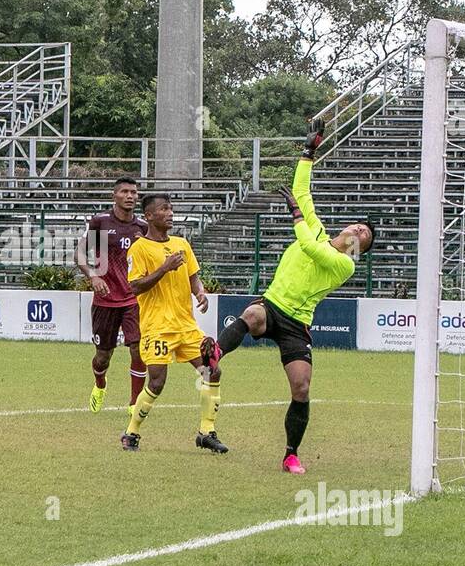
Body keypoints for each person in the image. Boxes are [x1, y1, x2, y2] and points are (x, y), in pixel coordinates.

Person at [214, 128, 375, 474]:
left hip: (297, 323)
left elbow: (308, 246)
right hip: (272, 305)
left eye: (364, 235)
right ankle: (212, 356)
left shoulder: (343, 264)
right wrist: (306, 153)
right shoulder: (316, 228)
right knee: (252, 314)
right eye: (358, 226)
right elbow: (302, 192)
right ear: (347, 227)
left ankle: (291, 454)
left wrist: (298, 218)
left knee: (301, 387)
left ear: (359, 249)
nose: (358, 230)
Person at [122, 194, 226, 454]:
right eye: (164, 209)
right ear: (148, 216)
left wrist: (200, 292)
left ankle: (206, 432)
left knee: (212, 371)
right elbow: (135, 286)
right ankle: (131, 433)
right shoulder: (140, 249)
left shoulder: (182, 244)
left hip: (186, 327)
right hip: (157, 327)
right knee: (156, 382)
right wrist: (164, 268)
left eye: (171, 209)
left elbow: (193, 276)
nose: (170, 213)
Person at [75, 177, 148, 413]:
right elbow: (80, 254)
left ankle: (134, 402)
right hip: (105, 299)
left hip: (133, 298)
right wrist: (93, 276)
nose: (130, 196)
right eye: (125, 192)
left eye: (134, 192)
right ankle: (100, 384)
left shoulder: (142, 228)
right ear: (114, 196)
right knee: (102, 356)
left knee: (138, 348)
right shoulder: (101, 223)